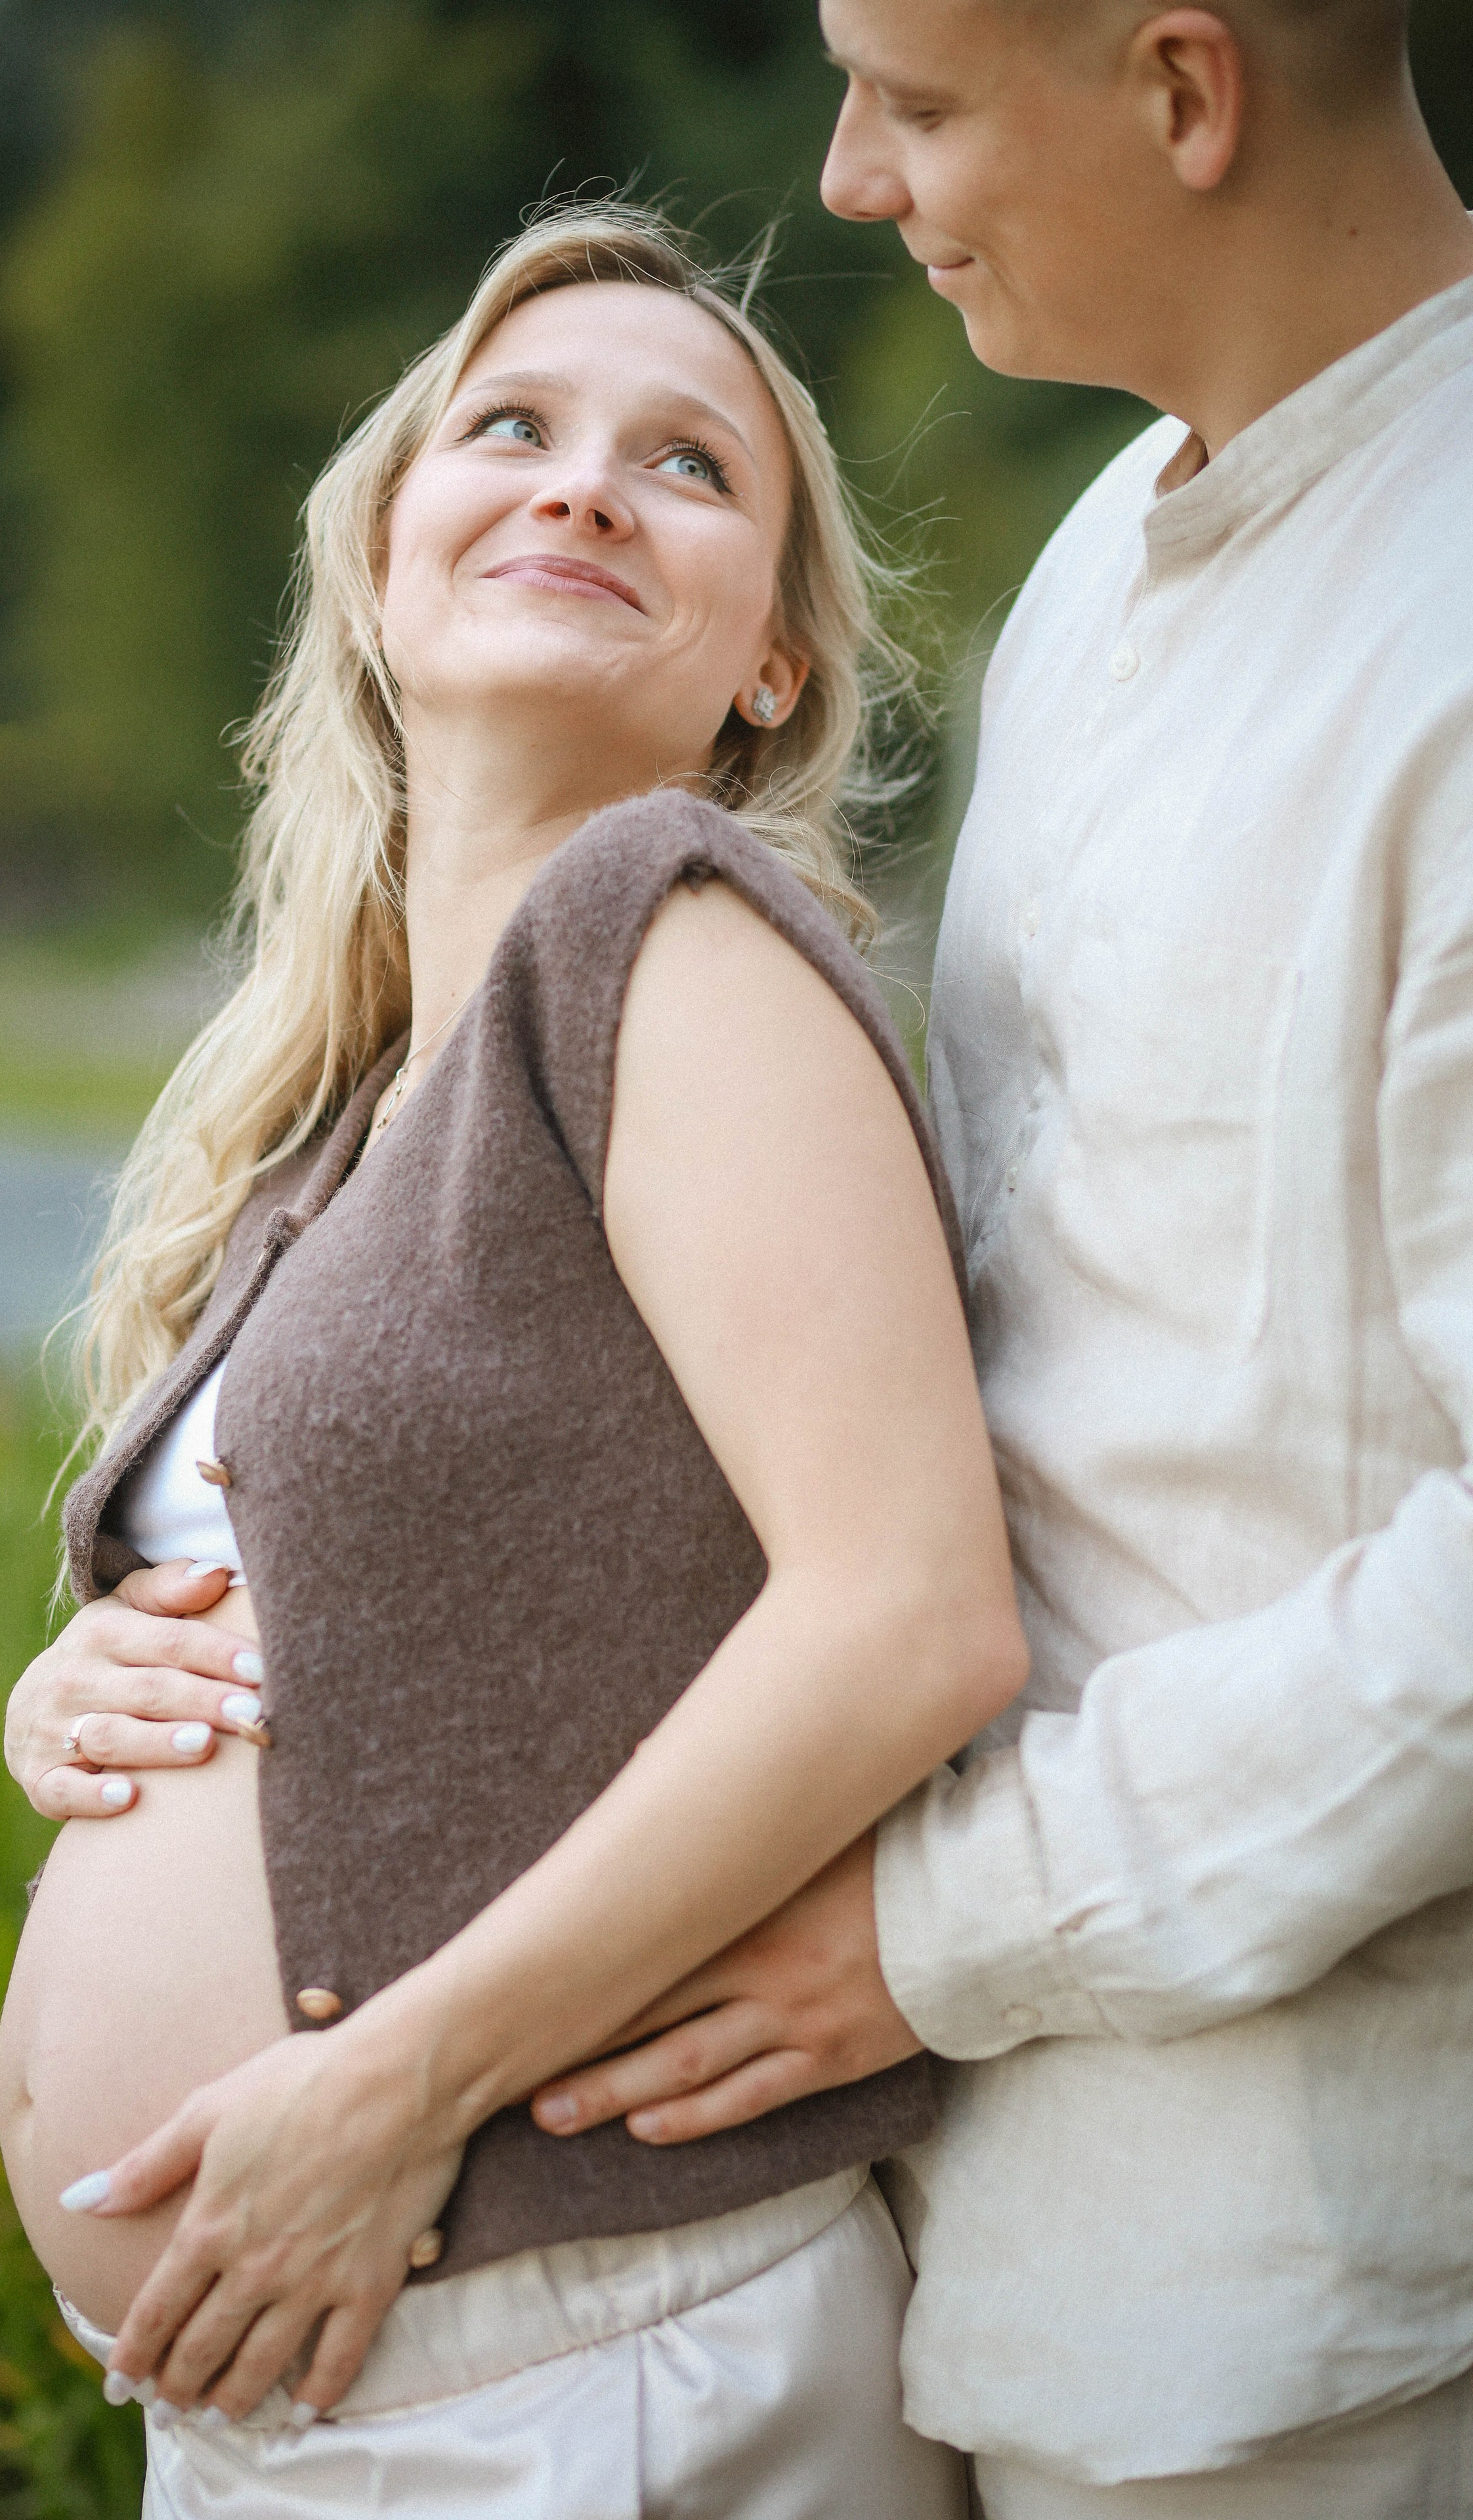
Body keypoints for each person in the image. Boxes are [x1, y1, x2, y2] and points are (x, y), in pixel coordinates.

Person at [0, 201, 1023, 2517]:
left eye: (686, 468)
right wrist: (75, 1696)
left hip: (587, 2374)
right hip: (333, 2385)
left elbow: (909, 1618)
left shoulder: (667, 939)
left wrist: (394, 2090)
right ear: (383, 551)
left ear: (768, 660)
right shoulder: (367, 1095)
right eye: (517, 427)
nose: (580, 484)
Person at [530, 3, 1473, 2513]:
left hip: (1337, 2326)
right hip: (1002, 2274)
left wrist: (944, 1935)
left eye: (916, 100)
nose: (846, 178)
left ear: (1187, 93)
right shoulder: (1096, 566)